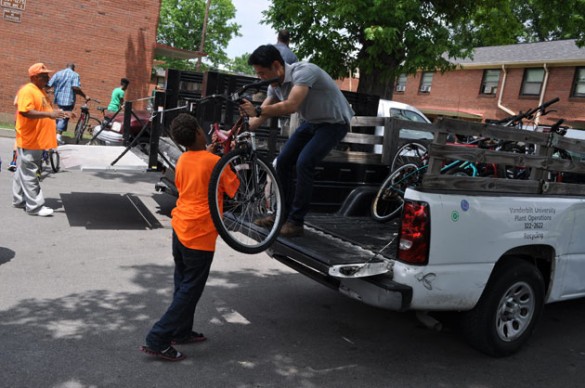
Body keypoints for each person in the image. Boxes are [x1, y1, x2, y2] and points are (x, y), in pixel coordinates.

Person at [140, 113, 239, 362]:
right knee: (190, 289)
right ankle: (158, 337)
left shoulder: (184, 159)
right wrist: (229, 159)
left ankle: (181, 331)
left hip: (181, 228)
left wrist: (212, 155)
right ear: (198, 132)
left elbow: (198, 168)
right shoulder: (215, 162)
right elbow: (234, 188)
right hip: (201, 234)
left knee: (182, 283)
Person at [240, 45, 354, 237]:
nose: (260, 78)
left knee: (304, 162)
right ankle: (280, 216)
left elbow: (291, 105)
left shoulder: (305, 72)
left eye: (262, 73)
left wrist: (257, 110)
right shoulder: (274, 86)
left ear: (277, 66)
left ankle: (296, 222)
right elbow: (257, 119)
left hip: (334, 123)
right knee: (283, 162)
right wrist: (238, 131)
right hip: (311, 123)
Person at [13, 63, 70, 217]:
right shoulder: (27, 91)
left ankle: (19, 199)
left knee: (23, 170)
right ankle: (35, 207)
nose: (48, 78)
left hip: (37, 140)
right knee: (31, 172)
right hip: (30, 139)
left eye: (47, 75)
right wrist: (49, 115)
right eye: (44, 75)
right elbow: (26, 112)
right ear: (34, 77)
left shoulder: (40, 92)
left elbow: (46, 111)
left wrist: (60, 113)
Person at [47, 63, 89, 144]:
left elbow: (49, 85)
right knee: (64, 117)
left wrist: (52, 90)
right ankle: (58, 137)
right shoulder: (75, 75)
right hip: (68, 100)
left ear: (66, 67)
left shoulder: (58, 73)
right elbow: (75, 87)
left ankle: (54, 135)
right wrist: (84, 95)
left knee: (58, 115)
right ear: (73, 68)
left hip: (58, 99)